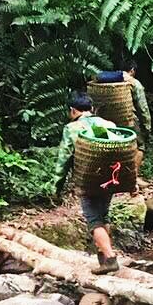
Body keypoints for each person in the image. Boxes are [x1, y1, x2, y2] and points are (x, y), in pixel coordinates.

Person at [52, 92, 121, 273]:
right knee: (103, 216)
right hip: (109, 179)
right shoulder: (109, 124)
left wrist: (56, 187)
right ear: (92, 109)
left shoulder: (71, 128)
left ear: (72, 110)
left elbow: (64, 159)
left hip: (88, 181)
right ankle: (103, 259)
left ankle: (111, 259)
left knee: (94, 220)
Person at [122, 55, 152, 145]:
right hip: (128, 121)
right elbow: (143, 107)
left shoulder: (111, 80)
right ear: (132, 70)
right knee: (139, 146)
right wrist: (147, 127)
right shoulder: (134, 83)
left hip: (108, 121)